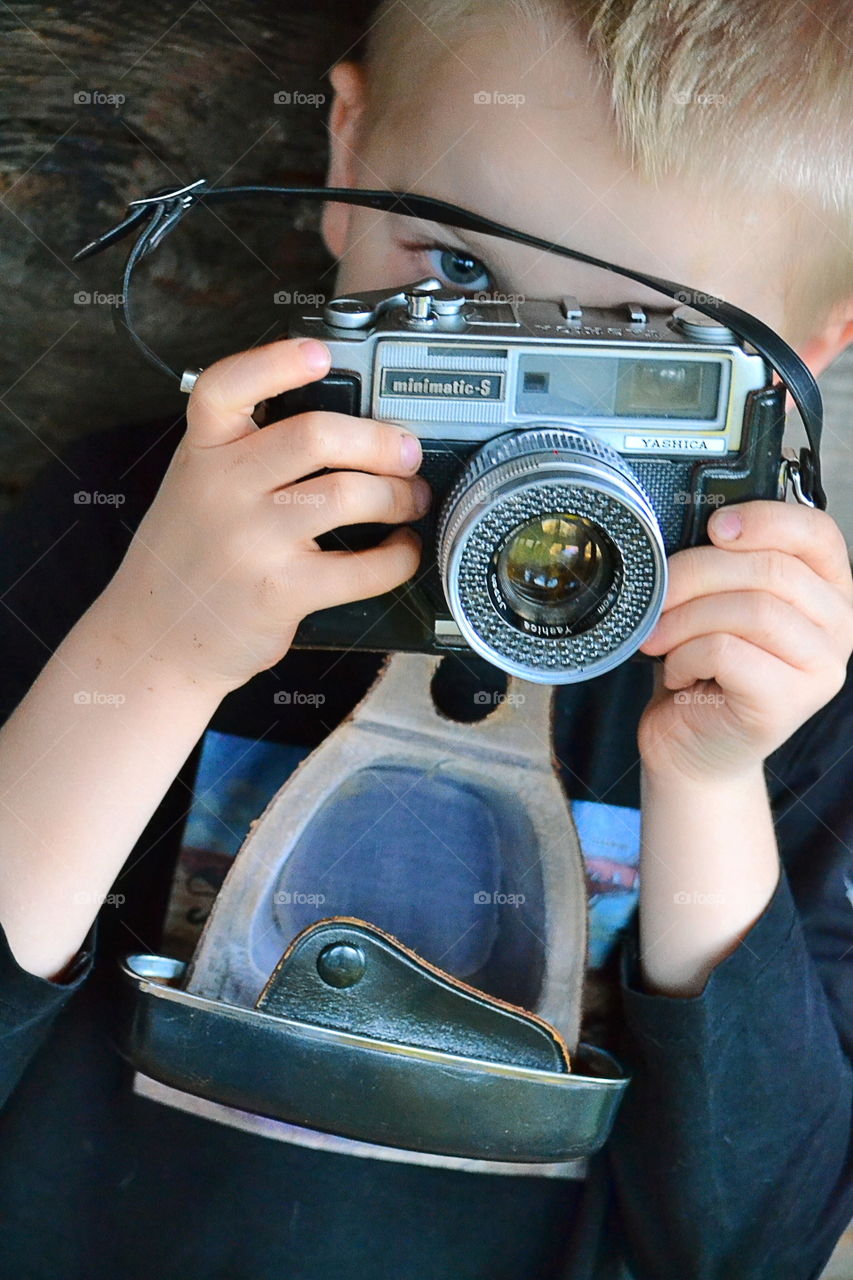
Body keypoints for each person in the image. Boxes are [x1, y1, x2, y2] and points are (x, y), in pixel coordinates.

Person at [1, 1, 852, 1277]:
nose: (531, 398)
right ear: (344, 158)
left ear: (801, 359)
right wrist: (154, 649)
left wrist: (712, 783)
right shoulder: (127, 527)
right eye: (455, 279)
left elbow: (750, 1243)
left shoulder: (785, 690)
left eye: (654, 339)